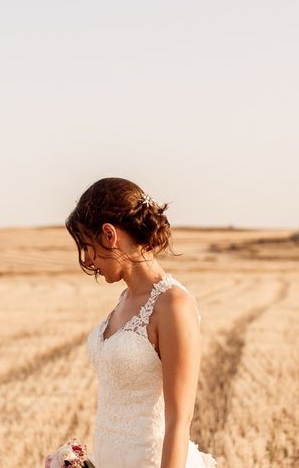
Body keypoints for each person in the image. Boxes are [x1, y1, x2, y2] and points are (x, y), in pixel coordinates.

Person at [63, 177, 217, 468]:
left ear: (109, 234)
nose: (87, 260)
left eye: (87, 246)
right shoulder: (124, 299)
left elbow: (179, 420)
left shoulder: (173, 305)